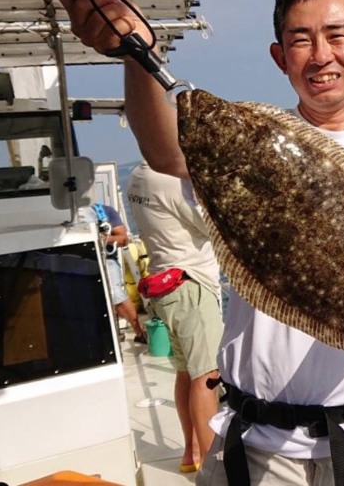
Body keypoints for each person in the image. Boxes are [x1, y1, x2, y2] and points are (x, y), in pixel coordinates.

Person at [56, 0, 344, 486]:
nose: (321, 55)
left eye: (337, 36)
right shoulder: (249, 146)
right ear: (279, 57)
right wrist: (138, 56)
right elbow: (166, 151)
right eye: (301, 40)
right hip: (256, 446)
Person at [126, 161, 224, 473]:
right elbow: (212, 226)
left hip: (163, 287)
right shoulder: (170, 180)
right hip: (190, 287)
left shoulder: (138, 176)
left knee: (186, 372)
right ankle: (211, 467)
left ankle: (191, 452)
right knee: (207, 377)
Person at [93, 202, 147, 344]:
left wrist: (103, 239)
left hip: (107, 260)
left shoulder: (104, 212)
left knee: (115, 292)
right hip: (80, 263)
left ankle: (139, 331)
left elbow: (123, 239)